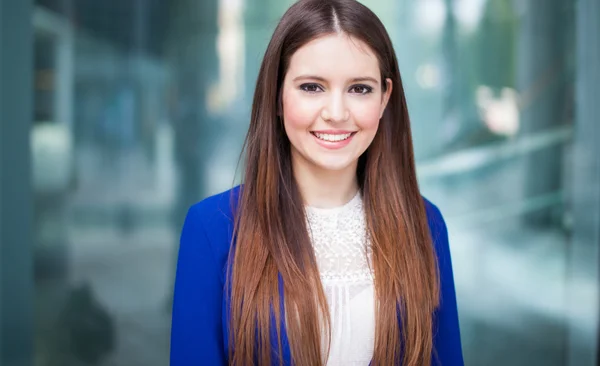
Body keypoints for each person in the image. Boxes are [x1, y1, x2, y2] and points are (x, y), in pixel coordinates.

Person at [170, 0, 464, 365]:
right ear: (277, 95)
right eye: (312, 87)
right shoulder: (212, 228)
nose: (337, 113)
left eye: (359, 89)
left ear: (385, 96)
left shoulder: (424, 223)